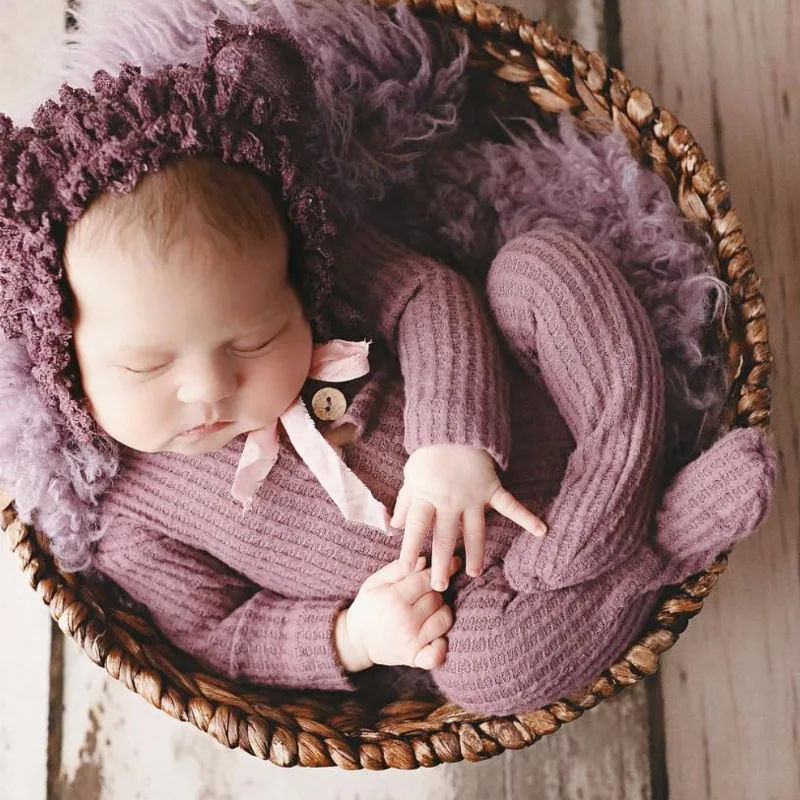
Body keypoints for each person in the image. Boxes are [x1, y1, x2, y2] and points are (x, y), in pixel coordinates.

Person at [0, 23, 774, 714]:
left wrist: (453, 439)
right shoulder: (131, 520)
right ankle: (655, 549)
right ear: (63, 358)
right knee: (482, 672)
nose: (209, 390)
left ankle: (626, 472)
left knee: (542, 269)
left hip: (559, 413)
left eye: (254, 342)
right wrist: (352, 637)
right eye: (144, 366)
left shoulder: (325, 276)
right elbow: (221, 632)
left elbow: (430, 294)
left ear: (293, 285)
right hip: (490, 598)